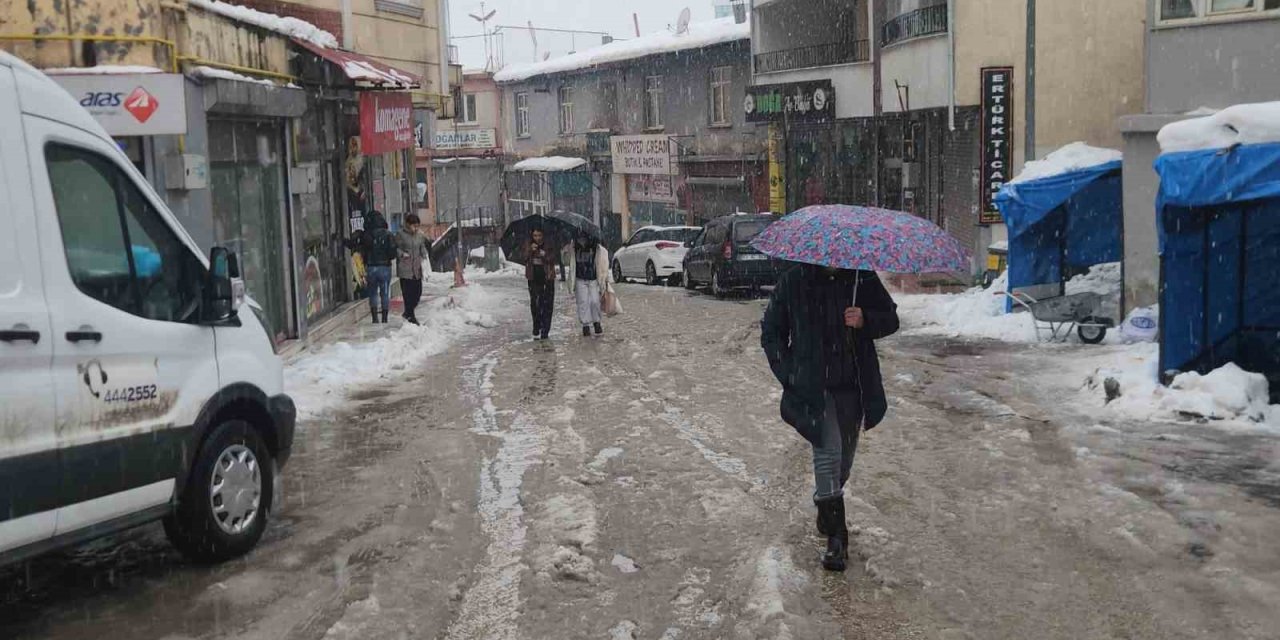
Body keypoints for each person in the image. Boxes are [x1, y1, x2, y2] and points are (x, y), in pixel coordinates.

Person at [760, 265, 899, 572]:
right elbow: (771, 332)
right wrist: (789, 374)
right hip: (813, 387)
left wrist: (865, 320)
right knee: (828, 451)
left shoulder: (861, 276)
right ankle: (837, 538)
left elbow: (890, 318)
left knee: (843, 464)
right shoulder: (795, 279)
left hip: (853, 385)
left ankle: (826, 504)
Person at [360, 210, 396, 324]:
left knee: (373, 293)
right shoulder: (388, 234)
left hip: (371, 267)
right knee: (385, 292)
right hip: (385, 267)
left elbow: (363, 251)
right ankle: (384, 317)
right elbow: (392, 252)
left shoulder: (367, 235)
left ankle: (375, 317)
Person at [570, 235, 610, 337]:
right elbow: (568, 262)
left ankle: (597, 322)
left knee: (595, 301)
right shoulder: (574, 246)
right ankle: (585, 325)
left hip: (593, 278)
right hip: (580, 278)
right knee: (583, 302)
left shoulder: (596, 247)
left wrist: (604, 278)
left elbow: (603, 263)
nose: (582, 241)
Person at [396, 214, 431, 325]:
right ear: (408, 224)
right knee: (408, 294)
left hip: (416, 268)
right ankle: (411, 316)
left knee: (417, 293)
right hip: (405, 268)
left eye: (417, 226)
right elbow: (395, 248)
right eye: (414, 226)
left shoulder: (419, 235)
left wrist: (424, 254)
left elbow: (422, 247)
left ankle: (408, 313)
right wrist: (402, 254)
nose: (416, 228)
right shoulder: (400, 234)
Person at [525, 228, 558, 340]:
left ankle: (545, 330)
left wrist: (544, 254)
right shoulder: (528, 244)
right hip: (533, 279)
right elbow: (523, 256)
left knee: (547, 305)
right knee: (535, 304)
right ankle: (536, 324)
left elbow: (554, 258)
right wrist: (530, 250)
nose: (537, 238)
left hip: (547, 278)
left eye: (539, 235)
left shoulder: (549, 244)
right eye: (535, 235)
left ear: (543, 235)